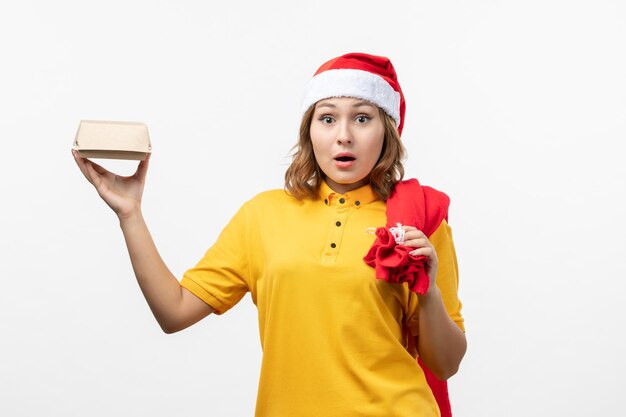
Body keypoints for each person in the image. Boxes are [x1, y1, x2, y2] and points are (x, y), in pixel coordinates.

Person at [73, 52, 466, 417]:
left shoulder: (418, 221)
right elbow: (173, 312)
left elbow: (445, 364)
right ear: (309, 130)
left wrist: (428, 292)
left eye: (363, 118)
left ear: (387, 131)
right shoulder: (263, 215)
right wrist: (130, 214)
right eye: (327, 118)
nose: (344, 135)